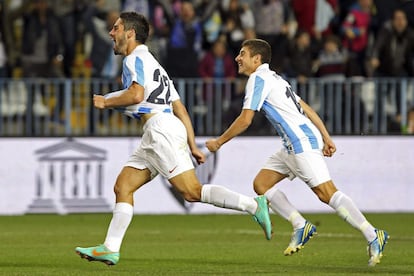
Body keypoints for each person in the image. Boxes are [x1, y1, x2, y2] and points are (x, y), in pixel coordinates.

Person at [75, 12, 272, 266]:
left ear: (130, 33)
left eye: (116, 28)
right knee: (123, 186)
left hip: (160, 131)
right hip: (160, 130)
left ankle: (254, 206)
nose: (111, 33)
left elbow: (136, 95)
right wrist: (192, 145)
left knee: (191, 192)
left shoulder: (134, 60)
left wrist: (106, 101)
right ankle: (110, 248)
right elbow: (180, 108)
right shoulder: (154, 65)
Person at [206, 38, 389, 267]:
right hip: (292, 145)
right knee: (261, 184)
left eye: (242, 54)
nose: (237, 58)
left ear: (257, 59)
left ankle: (373, 235)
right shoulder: (276, 79)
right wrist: (325, 135)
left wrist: (219, 142)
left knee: (326, 193)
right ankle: (300, 225)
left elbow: (245, 119)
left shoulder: (258, 78)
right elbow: (306, 108)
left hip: (301, 142)